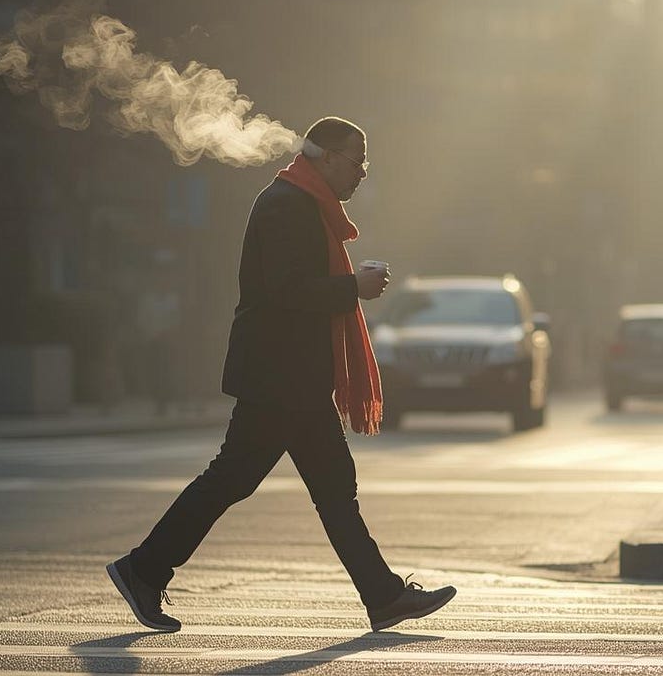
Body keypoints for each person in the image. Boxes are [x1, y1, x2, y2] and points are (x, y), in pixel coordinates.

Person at [107, 116, 456, 633]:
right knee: (234, 481)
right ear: (329, 156)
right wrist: (352, 288)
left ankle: (383, 597)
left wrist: (347, 287)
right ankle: (143, 569)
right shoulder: (287, 205)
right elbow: (285, 290)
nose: (362, 172)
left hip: (295, 378)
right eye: (357, 160)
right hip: (278, 378)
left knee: (328, 489)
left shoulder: (304, 203)